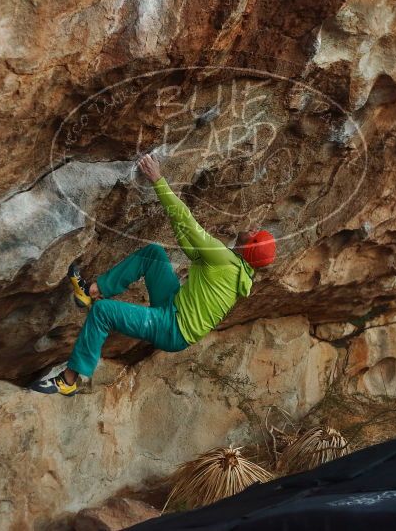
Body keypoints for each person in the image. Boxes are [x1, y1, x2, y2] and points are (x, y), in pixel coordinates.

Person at [31, 154, 277, 396]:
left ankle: (70, 379)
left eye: (255, 235)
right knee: (154, 254)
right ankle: (91, 291)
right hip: (174, 306)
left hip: (173, 329)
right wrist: (173, 217)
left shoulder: (224, 259)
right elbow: (188, 243)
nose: (254, 229)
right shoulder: (234, 268)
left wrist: (158, 180)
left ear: (248, 248)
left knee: (102, 312)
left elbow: (187, 221)